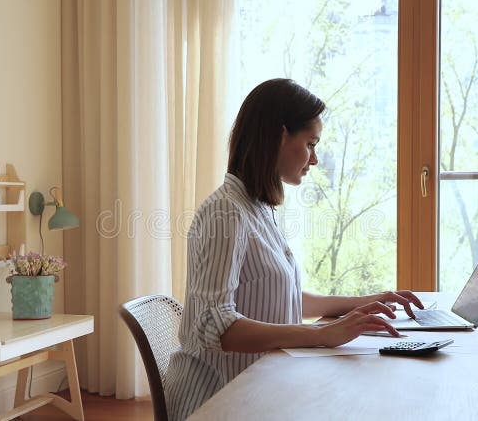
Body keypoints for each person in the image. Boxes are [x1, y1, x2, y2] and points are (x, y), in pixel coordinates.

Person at [163, 78, 424, 420]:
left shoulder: (256, 207)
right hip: (218, 400)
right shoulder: (225, 212)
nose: (314, 159)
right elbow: (218, 327)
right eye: (311, 144)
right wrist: (320, 334)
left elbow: (282, 299)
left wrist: (362, 303)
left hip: (261, 386)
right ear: (279, 135)